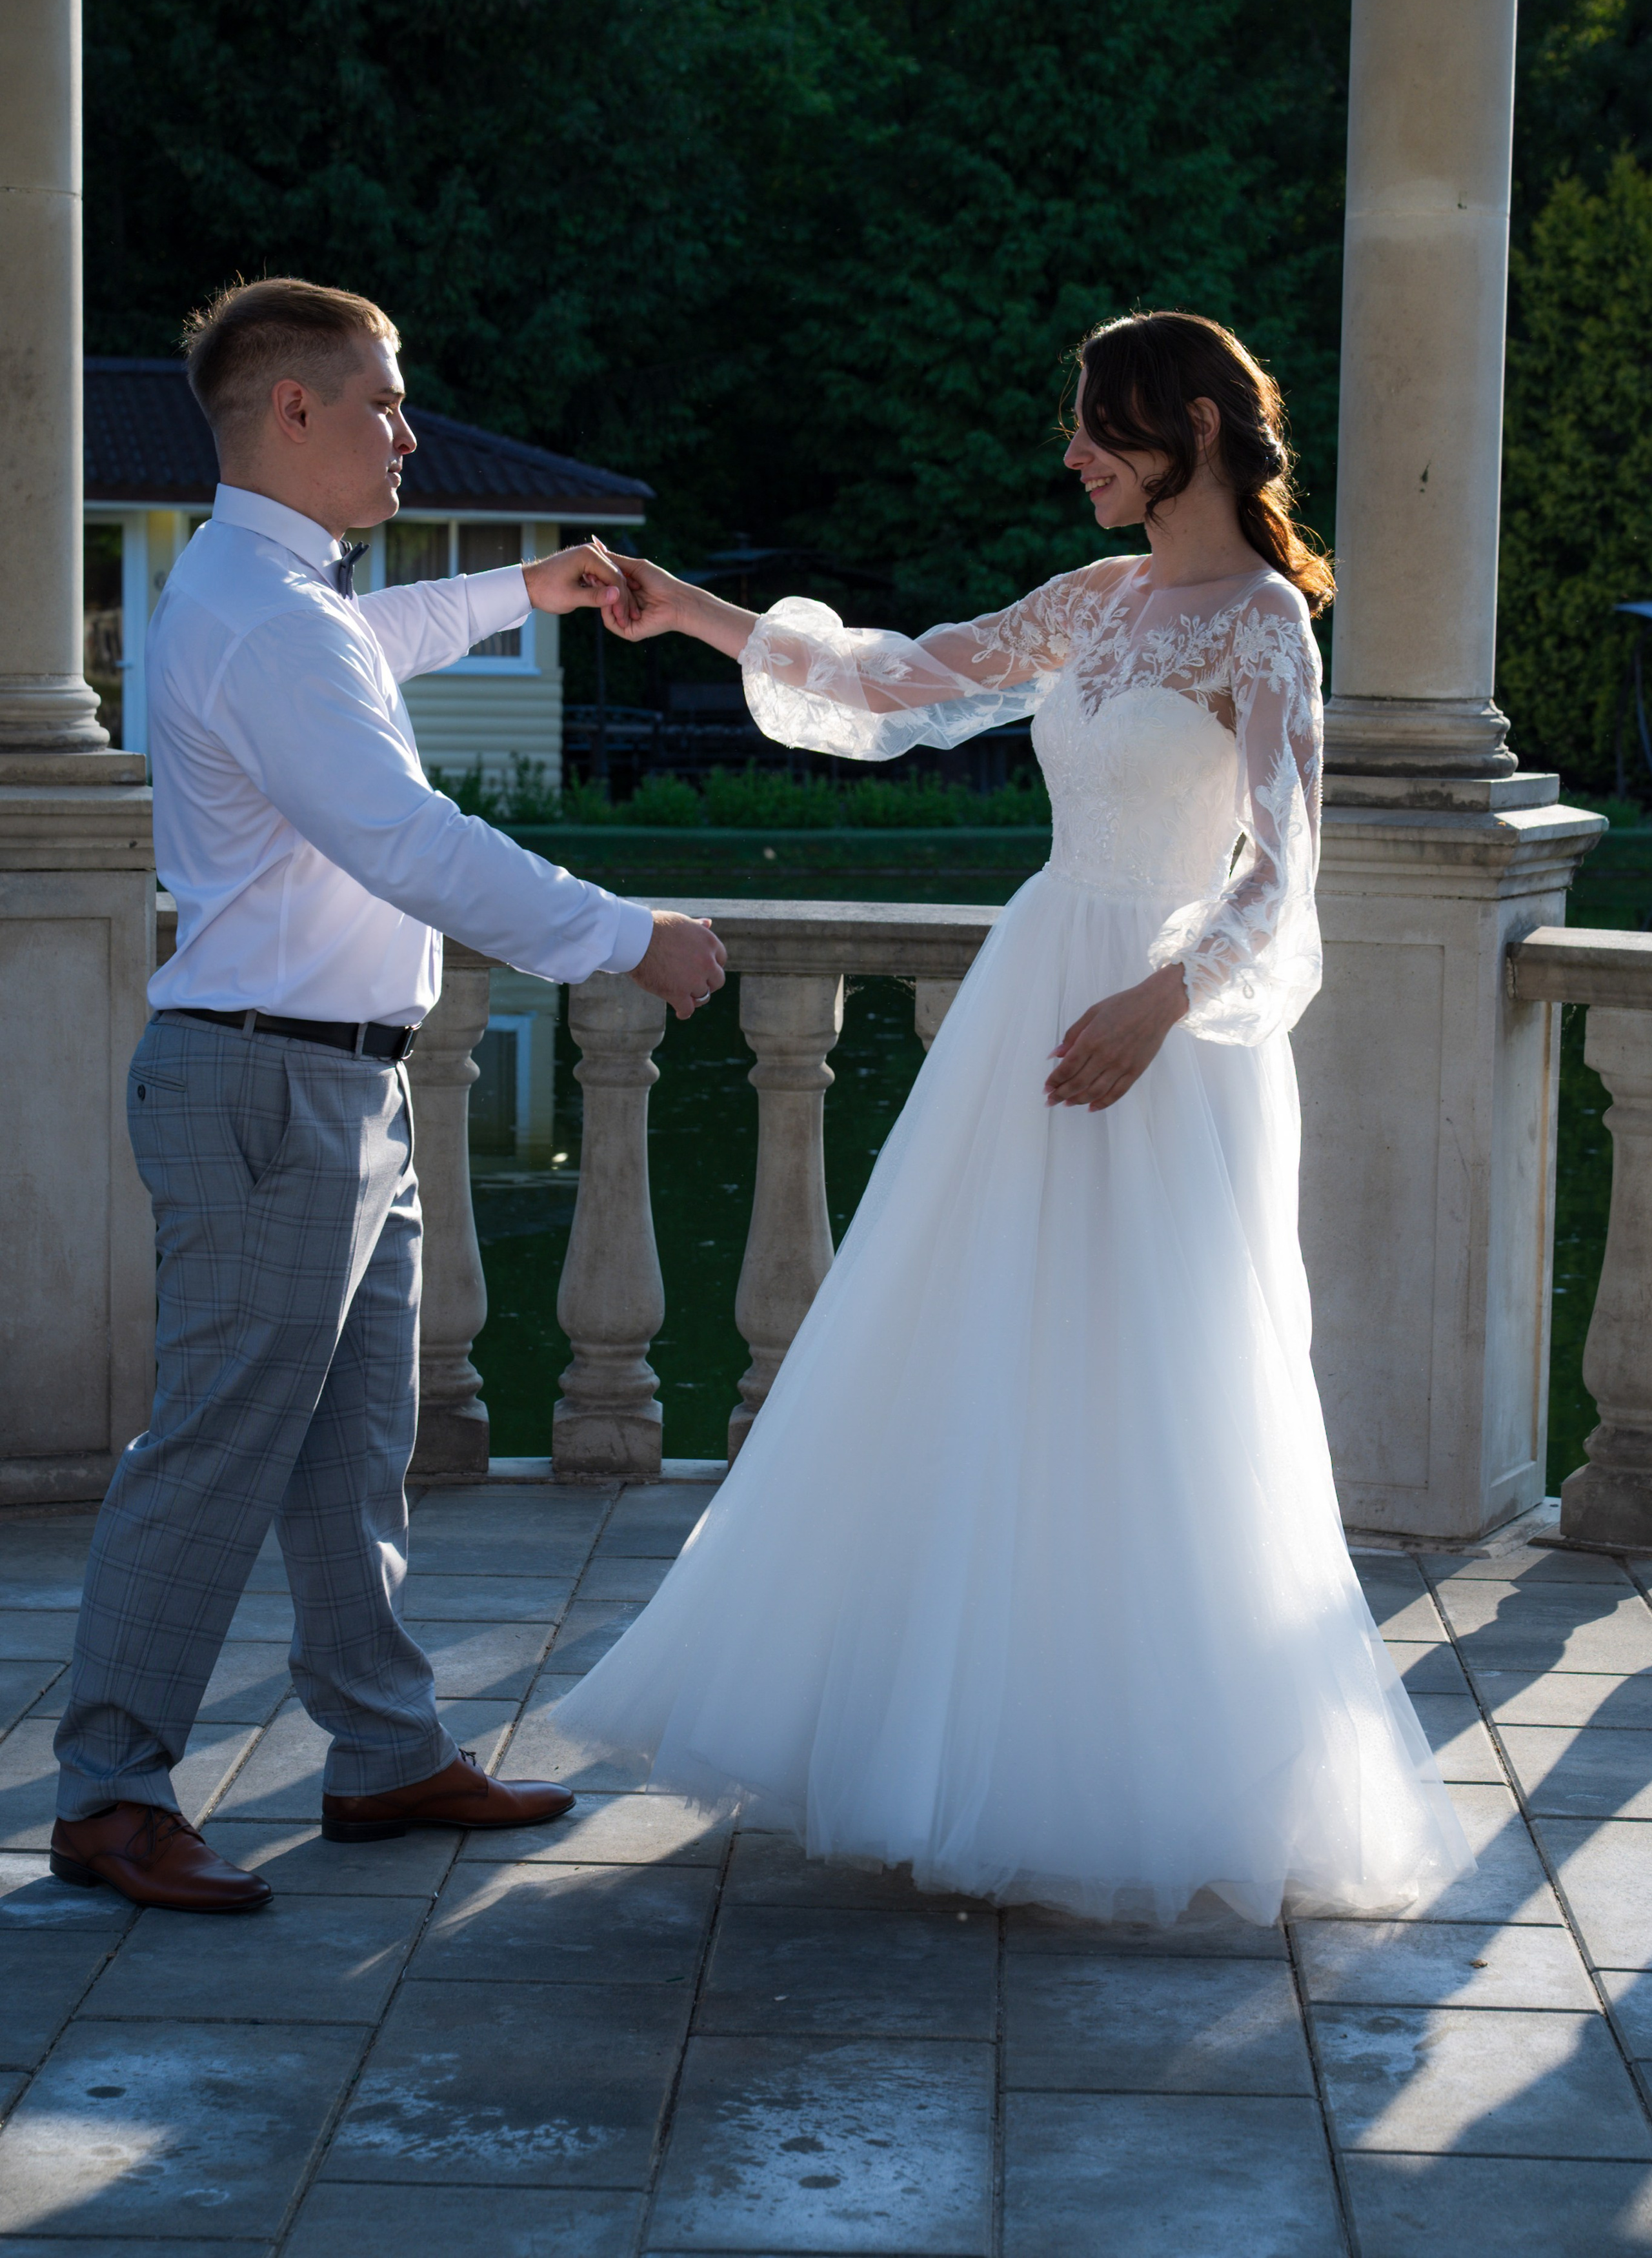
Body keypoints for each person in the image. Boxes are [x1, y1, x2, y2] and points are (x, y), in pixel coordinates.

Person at [549, 310, 1473, 1927]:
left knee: (1162, 1371)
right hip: (1036, 997)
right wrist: (679, 603)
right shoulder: (1095, 602)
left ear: (1187, 423)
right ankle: (949, 1732)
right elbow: (889, 679)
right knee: (979, 1344)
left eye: (1096, 427)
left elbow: (1281, 865)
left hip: (1163, 1027)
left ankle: (1153, 1761)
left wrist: (1164, 1001)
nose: (1071, 455)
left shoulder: (1262, 625)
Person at [50, 277, 727, 1913]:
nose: (406, 431)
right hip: (273, 1086)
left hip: (331, 1084)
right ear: (293, 410)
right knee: (214, 1449)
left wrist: (525, 588)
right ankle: (110, 1795)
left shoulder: (268, 592)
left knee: (357, 1446)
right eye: (382, 402)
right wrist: (627, 935)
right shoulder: (269, 622)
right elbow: (408, 839)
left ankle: (381, 1748)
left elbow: (372, 645)